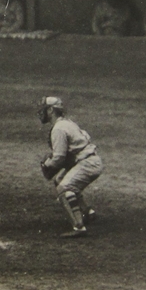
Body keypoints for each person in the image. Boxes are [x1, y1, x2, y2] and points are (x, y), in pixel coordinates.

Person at [38, 97, 103, 238]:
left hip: (87, 163)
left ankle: (79, 226)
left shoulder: (58, 129)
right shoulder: (68, 123)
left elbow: (59, 158)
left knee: (63, 189)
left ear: (50, 110)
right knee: (60, 179)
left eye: (44, 109)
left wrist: (46, 164)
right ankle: (87, 212)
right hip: (89, 159)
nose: (41, 112)